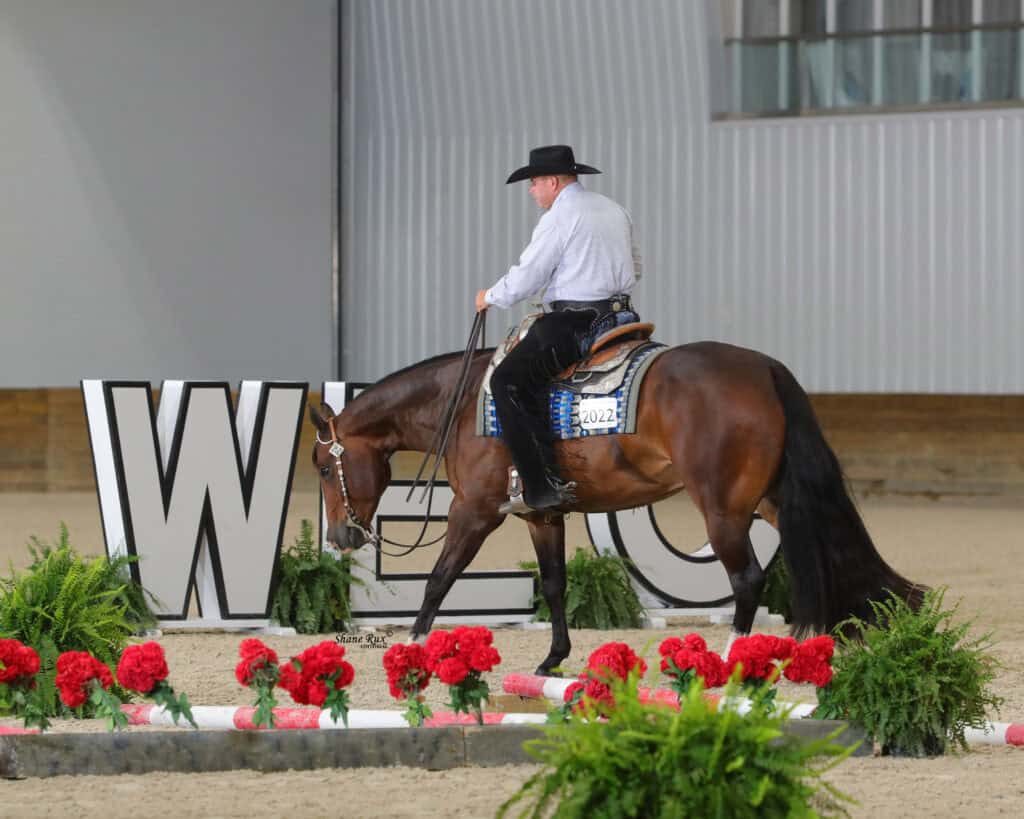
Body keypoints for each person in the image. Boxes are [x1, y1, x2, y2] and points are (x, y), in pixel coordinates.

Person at [475, 145, 642, 514]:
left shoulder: (559, 217)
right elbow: (635, 265)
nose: (532, 190)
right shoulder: (615, 209)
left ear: (552, 181)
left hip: (574, 322)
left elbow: (528, 277)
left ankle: (540, 486)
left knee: (507, 383)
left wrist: (491, 295)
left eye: (534, 183)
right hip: (622, 319)